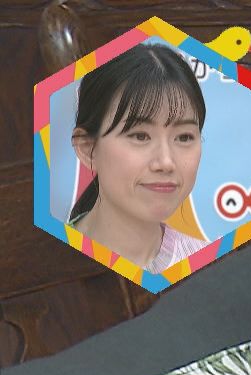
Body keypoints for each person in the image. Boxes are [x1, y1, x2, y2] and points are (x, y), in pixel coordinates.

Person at [68, 43, 210, 272]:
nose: (166, 162)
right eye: (140, 136)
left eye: (184, 137)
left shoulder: (213, 269)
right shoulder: (41, 262)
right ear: (88, 149)